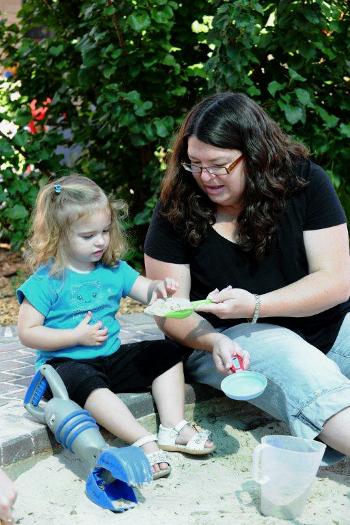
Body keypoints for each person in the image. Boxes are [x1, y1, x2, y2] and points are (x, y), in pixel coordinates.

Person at [144, 91, 350, 461]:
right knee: (293, 361)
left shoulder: (305, 182)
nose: (206, 177)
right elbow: (169, 311)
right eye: (194, 164)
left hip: (328, 326)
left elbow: (336, 281)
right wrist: (212, 341)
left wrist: (256, 305)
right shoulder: (177, 204)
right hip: (226, 342)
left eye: (220, 165)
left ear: (255, 155)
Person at [17, 175, 214, 481]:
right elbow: (27, 332)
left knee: (165, 352)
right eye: (88, 235)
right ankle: (141, 441)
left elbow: (144, 289)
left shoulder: (113, 270)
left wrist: (160, 288)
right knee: (88, 383)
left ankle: (172, 427)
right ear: (59, 235)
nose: (100, 241)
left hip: (110, 357)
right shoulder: (47, 280)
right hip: (65, 366)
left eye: (105, 231)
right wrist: (74, 336)